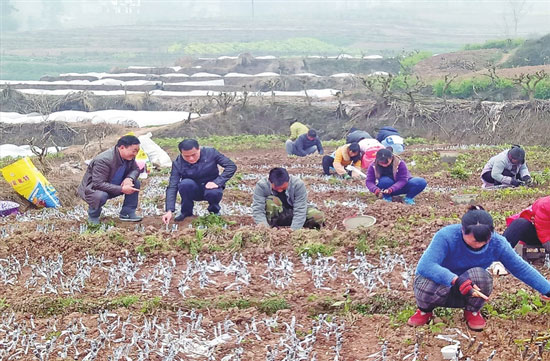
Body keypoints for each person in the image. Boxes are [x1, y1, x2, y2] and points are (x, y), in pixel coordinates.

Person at [408, 206, 550, 331]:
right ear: (462, 230)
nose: (480, 245)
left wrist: (547, 289)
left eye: (485, 241)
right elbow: (426, 265)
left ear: (492, 233)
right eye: (475, 241)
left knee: (481, 276)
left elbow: (520, 268)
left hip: (469, 290)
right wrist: (455, 280)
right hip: (440, 287)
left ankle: (472, 311)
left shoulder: (498, 243)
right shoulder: (447, 236)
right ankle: (424, 311)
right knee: (425, 281)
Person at [162, 139, 237, 224]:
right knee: (184, 184)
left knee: (213, 192)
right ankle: (186, 212)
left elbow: (231, 166)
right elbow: (172, 186)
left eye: (194, 155)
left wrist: (217, 182)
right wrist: (169, 210)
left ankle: (214, 211)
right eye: (186, 156)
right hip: (193, 190)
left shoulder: (211, 153)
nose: (191, 158)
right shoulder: (178, 163)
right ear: (181, 153)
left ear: (199, 149)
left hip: (211, 188)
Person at [77, 135, 142, 224]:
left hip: (113, 184)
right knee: (100, 196)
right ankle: (93, 216)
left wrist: (129, 179)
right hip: (93, 189)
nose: (135, 154)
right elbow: (98, 184)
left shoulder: (129, 157)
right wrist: (122, 189)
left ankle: (127, 213)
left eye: (137, 151)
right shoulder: (103, 160)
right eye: (134, 151)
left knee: (135, 183)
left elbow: (136, 169)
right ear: (122, 147)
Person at [252, 167, 324, 230]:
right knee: (271, 202)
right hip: (277, 215)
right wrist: (265, 229)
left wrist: (294, 230)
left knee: (317, 216)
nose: (280, 190)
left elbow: (300, 210)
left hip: (294, 213)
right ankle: (273, 226)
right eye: (276, 188)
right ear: (270, 182)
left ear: (288, 180)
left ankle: (305, 227)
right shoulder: (261, 186)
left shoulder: (298, 185)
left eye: (283, 188)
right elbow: (258, 210)